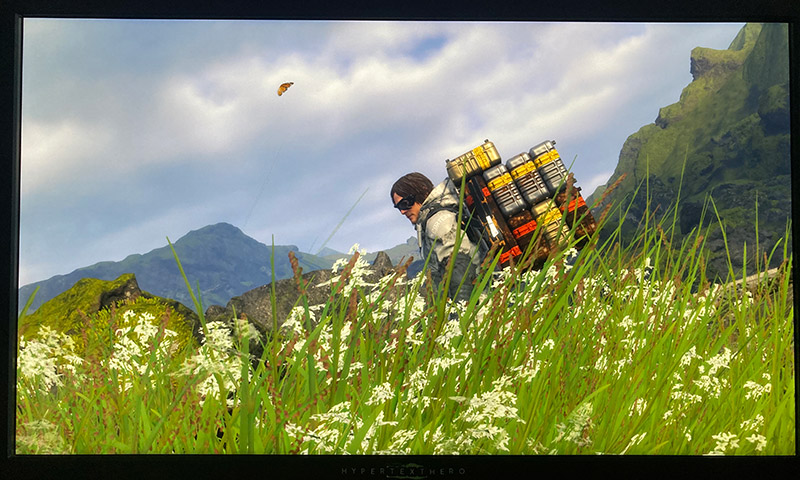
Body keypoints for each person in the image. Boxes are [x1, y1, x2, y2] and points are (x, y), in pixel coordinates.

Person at [390, 172, 487, 303]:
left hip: (477, 305)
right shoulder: (436, 219)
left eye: (405, 203)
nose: (402, 211)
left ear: (422, 193)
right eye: (398, 208)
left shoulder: (438, 222)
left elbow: (458, 269)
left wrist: (462, 313)